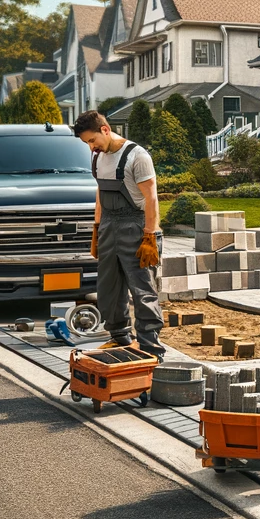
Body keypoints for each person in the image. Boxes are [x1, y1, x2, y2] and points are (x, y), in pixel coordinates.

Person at [71, 110, 165, 357]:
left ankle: (150, 348)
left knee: (143, 290)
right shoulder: (99, 158)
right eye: (87, 144)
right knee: (108, 288)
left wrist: (150, 236)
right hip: (109, 227)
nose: (91, 148)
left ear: (104, 129)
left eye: (92, 141)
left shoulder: (137, 156)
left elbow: (151, 197)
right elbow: (101, 194)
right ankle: (119, 336)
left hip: (137, 227)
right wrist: (96, 228)